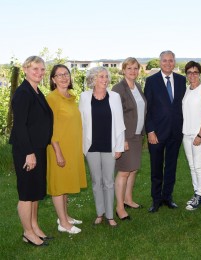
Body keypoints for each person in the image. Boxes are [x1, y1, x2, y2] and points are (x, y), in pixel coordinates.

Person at [9, 56, 53, 246]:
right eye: (34, 69)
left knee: (35, 191)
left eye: (42, 69)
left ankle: (34, 226)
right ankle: (27, 232)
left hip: (38, 148)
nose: (39, 72)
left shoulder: (35, 91)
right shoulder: (23, 93)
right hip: (27, 150)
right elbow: (19, 126)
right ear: (25, 69)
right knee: (27, 193)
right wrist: (29, 153)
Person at [79, 67, 125, 227]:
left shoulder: (115, 97)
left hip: (109, 144)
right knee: (96, 181)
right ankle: (100, 213)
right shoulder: (84, 97)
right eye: (101, 77)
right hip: (91, 145)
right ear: (93, 79)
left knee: (109, 181)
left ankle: (110, 215)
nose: (105, 79)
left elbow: (120, 123)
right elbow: (81, 123)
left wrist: (119, 146)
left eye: (106, 76)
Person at [46, 65, 87, 234]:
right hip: (58, 148)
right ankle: (63, 223)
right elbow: (50, 128)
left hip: (72, 147)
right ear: (53, 79)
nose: (63, 77)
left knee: (65, 184)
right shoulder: (52, 98)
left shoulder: (71, 97)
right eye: (59, 75)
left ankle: (66, 216)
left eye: (66, 74)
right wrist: (58, 152)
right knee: (58, 186)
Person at [144, 50, 186, 213]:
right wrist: (150, 131)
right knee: (156, 167)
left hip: (176, 132)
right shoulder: (152, 81)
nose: (168, 63)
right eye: (164, 61)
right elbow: (147, 109)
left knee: (171, 166)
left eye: (171, 60)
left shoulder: (182, 81)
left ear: (174, 62)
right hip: (157, 133)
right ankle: (156, 200)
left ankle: (167, 197)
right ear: (160, 62)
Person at [112, 57, 146, 220]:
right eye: (129, 68)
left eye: (135, 68)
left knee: (133, 170)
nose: (133, 71)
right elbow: (115, 116)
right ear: (123, 70)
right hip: (126, 137)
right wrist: (122, 139)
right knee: (124, 172)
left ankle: (128, 199)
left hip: (137, 135)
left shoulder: (137, 86)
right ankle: (119, 207)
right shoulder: (118, 88)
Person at [182, 61, 201, 210]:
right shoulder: (187, 89)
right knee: (192, 166)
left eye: (195, 72)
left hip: (199, 134)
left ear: (200, 74)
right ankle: (196, 193)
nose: (192, 75)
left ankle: (200, 195)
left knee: (199, 166)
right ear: (186, 74)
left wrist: (200, 135)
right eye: (189, 72)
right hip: (186, 133)